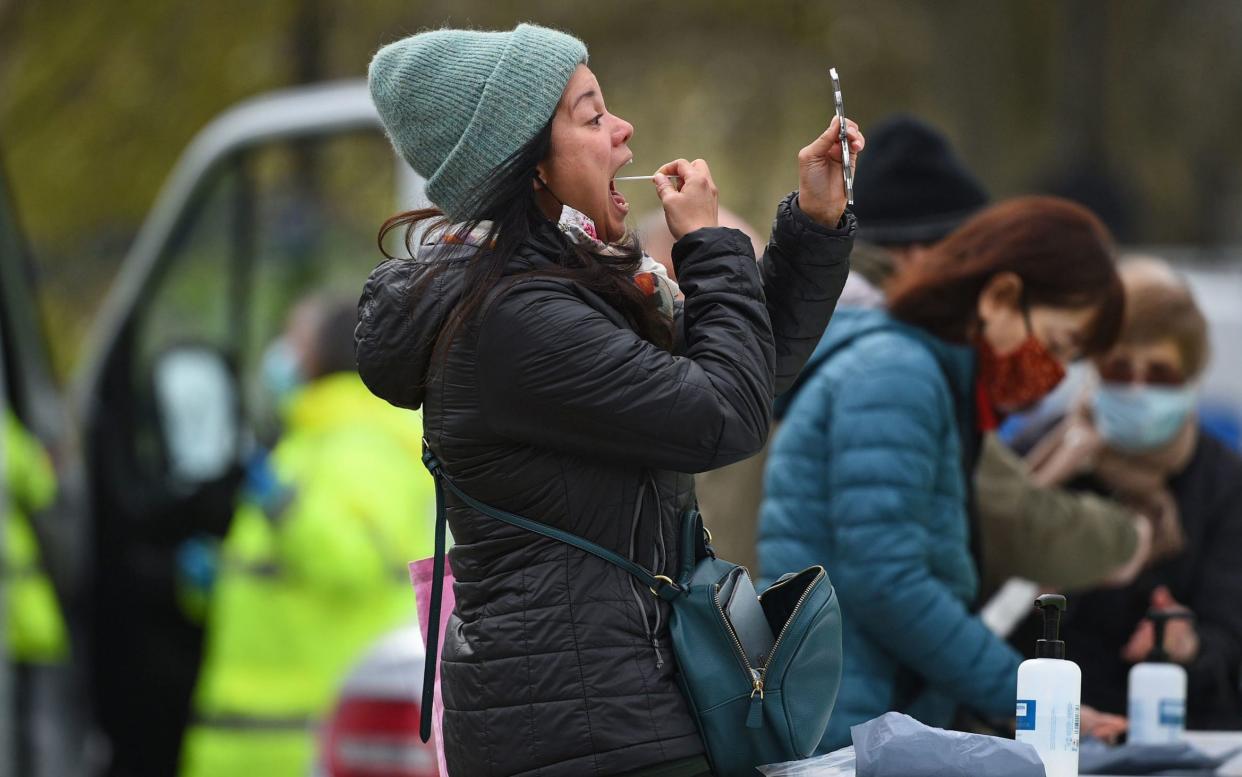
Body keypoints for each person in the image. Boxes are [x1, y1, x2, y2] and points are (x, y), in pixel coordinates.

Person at [356, 23, 861, 777]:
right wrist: (708, 242)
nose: (623, 129)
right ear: (528, 167)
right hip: (581, 731)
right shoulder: (519, 321)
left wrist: (813, 227)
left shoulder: (558, 292)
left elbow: (742, 378)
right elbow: (725, 415)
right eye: (591, 118)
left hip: (606, 715)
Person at [758, 196, 1125, 750]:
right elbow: (888, 581)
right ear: (1001, 296)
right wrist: (1022, 694)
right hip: (843, 731)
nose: (1051, 376)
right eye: (1054, 345)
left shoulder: (918, 375)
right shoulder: (899, 376)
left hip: (861, 717)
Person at [178, 297, 435, 777]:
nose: (282, 355)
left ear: (327, 353)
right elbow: (288, 574)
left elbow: (353, 561)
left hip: (300, 743)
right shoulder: (309, 442)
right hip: (258, 741)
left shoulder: (362, 443)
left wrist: (284, 510)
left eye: (294, 339)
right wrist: (224, 583)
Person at [1023, 258, 1242, 729]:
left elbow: (1231, 642)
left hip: (1184, 739)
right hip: (1050, 733)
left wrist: (1190, 645)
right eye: (1120, 370)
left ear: (1192, 375)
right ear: (1094, 367)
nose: (1138, 390)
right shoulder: (1040, 459)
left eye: (1160, 375)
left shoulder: (1225, 483)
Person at [3, 411, 70, 776]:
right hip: (23, 615)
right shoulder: (8, 434)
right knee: (30, 728)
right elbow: (44, 488)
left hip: (22, 616)